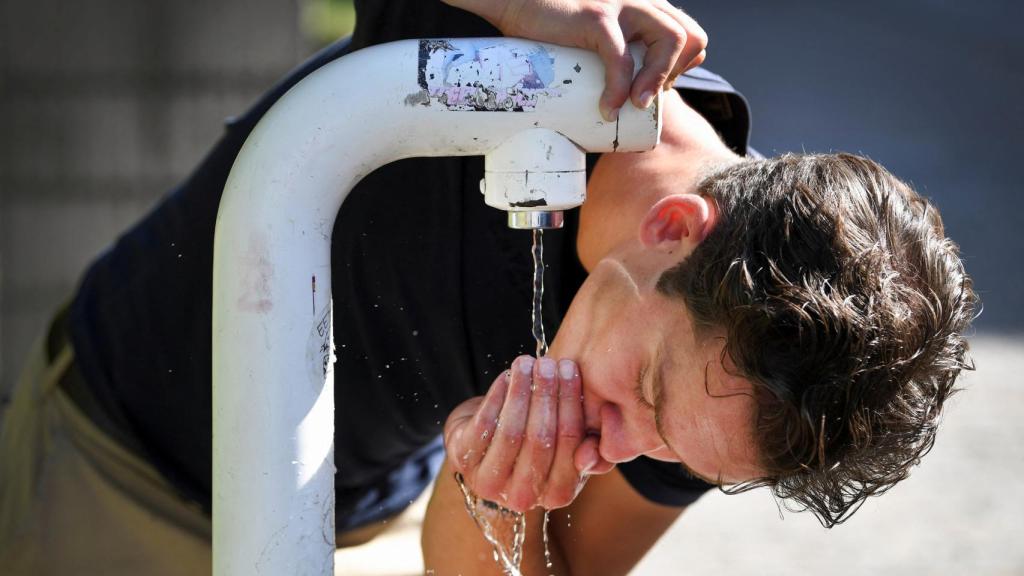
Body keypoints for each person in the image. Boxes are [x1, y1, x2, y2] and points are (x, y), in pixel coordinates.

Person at [0, 1, 975, 575]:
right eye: (644, 402)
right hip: (120, 457)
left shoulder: (723, 396)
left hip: (350, 516)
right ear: (672, 231)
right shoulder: (547, 63)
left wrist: (494, 494)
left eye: (679, 457)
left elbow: (488, 568)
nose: (630, 454)